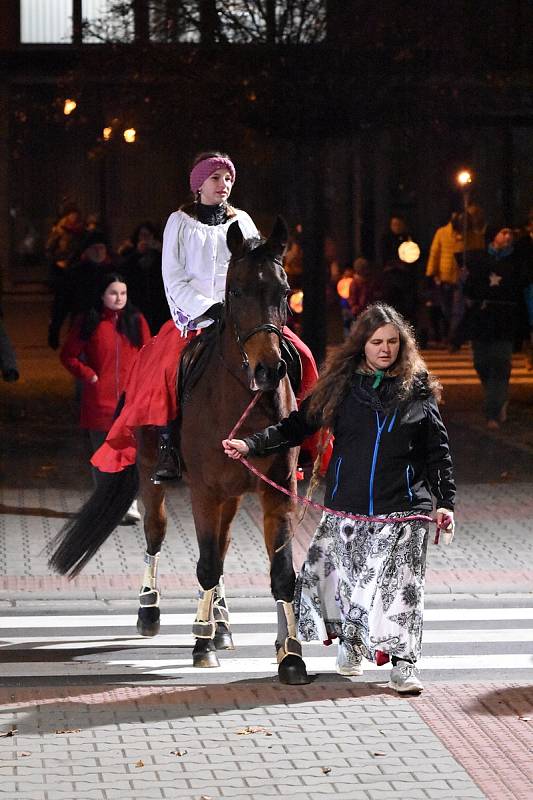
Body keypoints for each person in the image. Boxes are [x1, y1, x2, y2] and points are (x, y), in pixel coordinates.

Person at [223, 303, 456, 694]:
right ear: (362, 344)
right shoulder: (342, 387)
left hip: (404, 510)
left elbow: (438, 452)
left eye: (393, 342)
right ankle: (353, 643)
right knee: (349, 585)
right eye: (377, 341)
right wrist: (251, 444)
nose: (385, 349)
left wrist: (445, 501)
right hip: (348, 508)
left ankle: (404, 664)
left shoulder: (418, 388)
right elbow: (297, 425)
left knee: (402, 589)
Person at [91, 151, 318, 481]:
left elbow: (257, 268)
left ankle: (299, 442)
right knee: (166, 370)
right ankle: (168, 446)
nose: (223, 185)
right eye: (215, 178)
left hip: (243, 317)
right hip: (196, 317)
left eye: (228, 179)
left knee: (300, 355)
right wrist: (207, 309)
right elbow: (174, 277)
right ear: (198, 184)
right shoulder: (179, 223)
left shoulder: (243, 221)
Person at [59, 272, 151, 521]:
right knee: (103, 454)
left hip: (131, 402)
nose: (119, 298)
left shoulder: (136, 320)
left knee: (131, 452)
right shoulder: (88, 322)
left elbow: (149, 354)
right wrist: (89, 375)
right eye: (113, 293)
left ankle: (129, 503)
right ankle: (103, 504)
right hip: (99, 401)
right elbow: (68, 355)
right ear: (102, 295)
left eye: (123, 293)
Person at [463, 224, 526, 429]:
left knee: (499, 363)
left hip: (505, 320)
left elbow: (523, 289)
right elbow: (470, 290)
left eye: (510, 233)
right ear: (493, 236)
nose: (508, 236)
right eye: (503, 232)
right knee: (481, 362)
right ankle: (497, 397)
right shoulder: (480, 259)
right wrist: (465, 280)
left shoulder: (517, 261)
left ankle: (493, 411)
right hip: (482, 320)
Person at [425, 211, 485, 349]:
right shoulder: (442, 233)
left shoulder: (473, 236)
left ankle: (454, 339)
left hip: (462, 278)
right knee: (446, 308)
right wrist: (431, 273)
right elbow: (435, 252)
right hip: (444, 277)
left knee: (458, 310)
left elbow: (479, 254)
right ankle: (453, 335)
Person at [48, 230, 114, 350]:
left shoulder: (114, 271)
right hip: (82, 328)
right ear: (86, 251)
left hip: (111, 328)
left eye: (101, 248)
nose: (98, 252)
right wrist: (55, 329)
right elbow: (62, 303)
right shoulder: (75, 273)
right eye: (94, 248)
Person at [120, 222, 169, 335]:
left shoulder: (159, 253)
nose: (146, 239)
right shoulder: (130, 253)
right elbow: (124, 270)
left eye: (149, 235)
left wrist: (162, 251)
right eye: (142, 235)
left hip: (158, 302)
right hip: (138, 301)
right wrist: (137, 253)